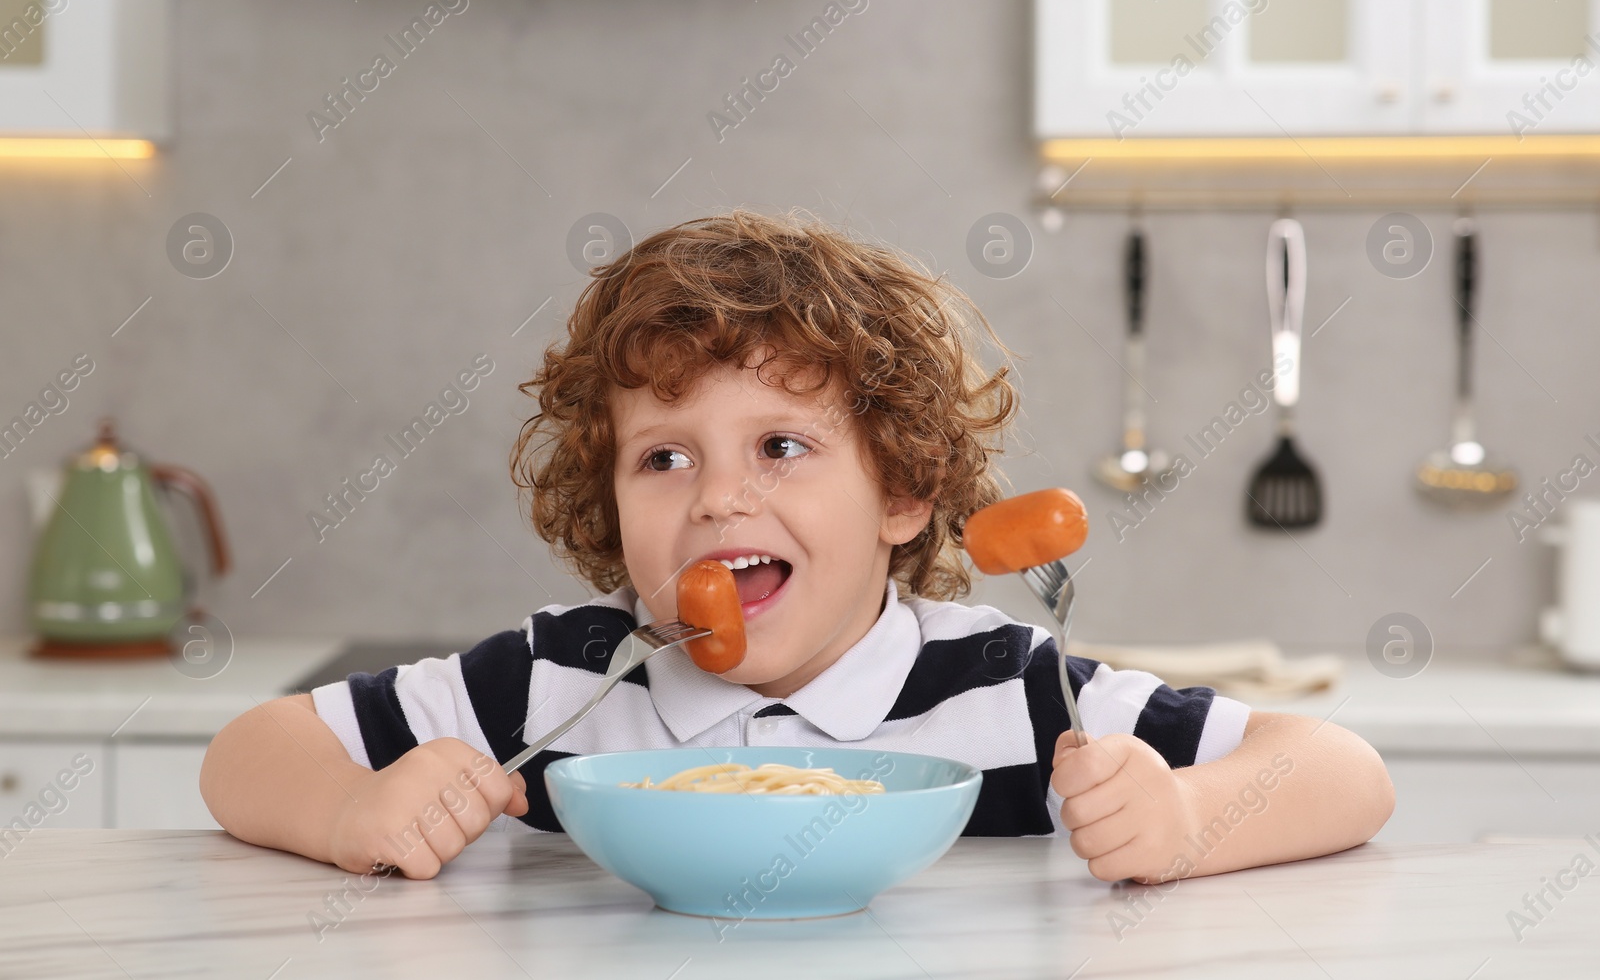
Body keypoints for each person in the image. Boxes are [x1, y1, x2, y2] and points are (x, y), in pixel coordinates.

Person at [200, 210, 1393, 882]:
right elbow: (249, 752)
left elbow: (1340, 768)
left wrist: (1185, 822)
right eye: (664, 458)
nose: (719, 498)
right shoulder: (559, 682)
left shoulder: (1013, 693)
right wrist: (356, 814)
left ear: (904, 492)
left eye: (780, 445)